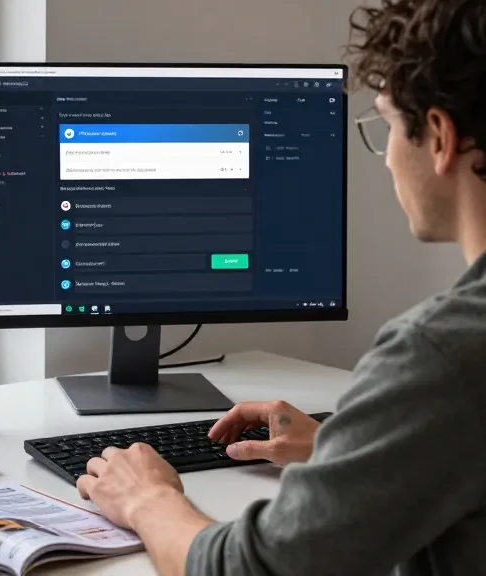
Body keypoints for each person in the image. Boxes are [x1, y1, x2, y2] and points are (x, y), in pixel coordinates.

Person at [76, 1, 486, 574]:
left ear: (439, 136)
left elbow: (253, 569)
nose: (388, 156)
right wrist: (348, 455)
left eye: (388, 125)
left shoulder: (441, 354)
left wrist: (146, 497)